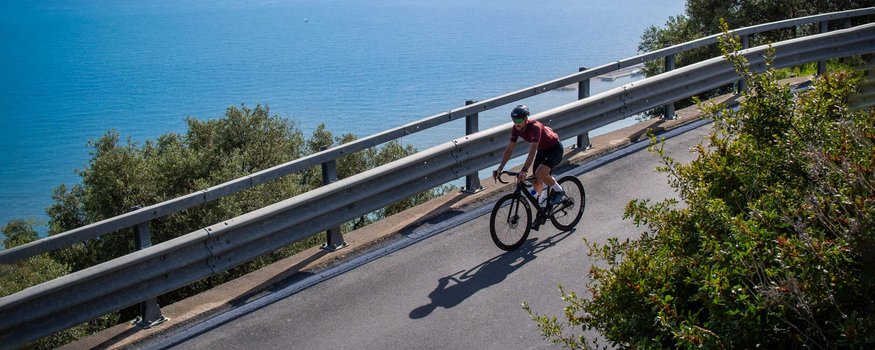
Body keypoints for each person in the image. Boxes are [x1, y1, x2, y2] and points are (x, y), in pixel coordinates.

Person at [493, 105, 564, 206]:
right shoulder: (516, 128)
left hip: (554, 149)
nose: (516, 124)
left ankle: (559, 191)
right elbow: (509, 149)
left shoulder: (535, 127)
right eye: (514, 121)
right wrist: (500, 168)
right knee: (536, 180)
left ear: (526, 119)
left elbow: (532, 151)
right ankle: (543, 203)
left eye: (518, 121)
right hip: (542, 150)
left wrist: (524, 170)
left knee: (539, 174)